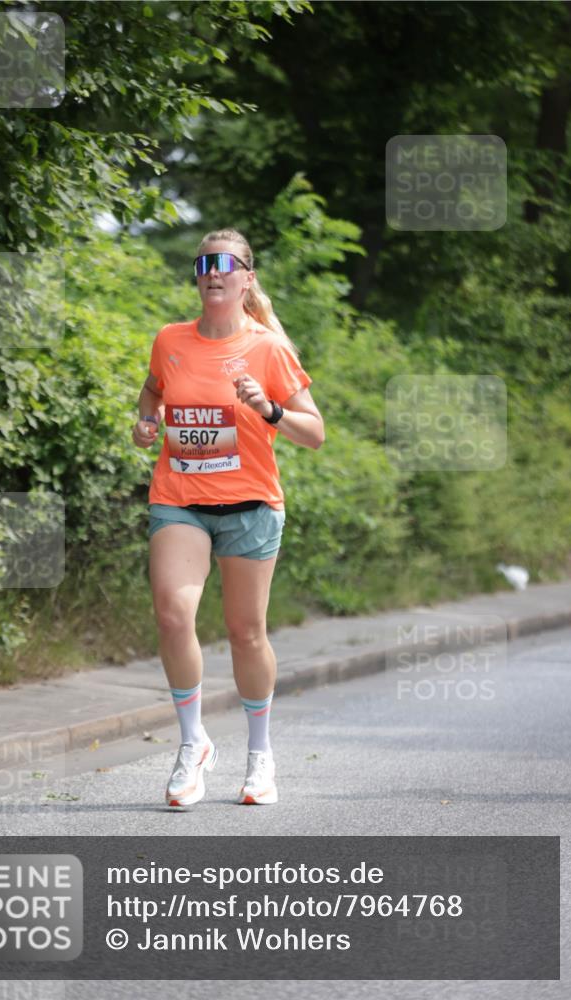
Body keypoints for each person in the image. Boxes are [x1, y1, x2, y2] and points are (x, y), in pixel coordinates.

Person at [132, 228, 324, 807]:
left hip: (250, 506)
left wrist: (266, 409)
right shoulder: (170, 340)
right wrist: (146, 423)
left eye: (225, 263)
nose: (212, 272)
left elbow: (313, 433)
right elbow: (151, 392)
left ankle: (260, 755)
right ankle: (193, 744)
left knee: (245, 633)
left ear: (246, 277)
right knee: (172, 614)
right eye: (203, 263)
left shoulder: (267, 348)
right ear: (197, 276)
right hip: (181, 498)